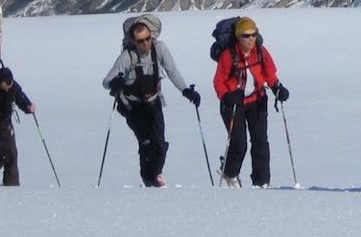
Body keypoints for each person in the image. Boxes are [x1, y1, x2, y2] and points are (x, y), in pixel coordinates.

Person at [102, 18, 201, 187]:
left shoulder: (159, 49)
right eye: (140, 41)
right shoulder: (127, 57)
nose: (145, 44)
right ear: (133, 41)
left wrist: (186, 91)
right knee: (147, 141)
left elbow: (172, 71)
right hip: (132, 106)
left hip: (153, 102)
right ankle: (150, 179)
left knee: (160, 144)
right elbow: (106, 81)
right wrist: (114, 83)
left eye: (148, 39)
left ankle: (154, 174)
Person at [213, 17, 289, 188]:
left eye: (254, 34)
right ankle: (230, 172)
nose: (251, 39)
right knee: (239, 143)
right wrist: (226, 96)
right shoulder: (228, 55)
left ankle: (262, 181)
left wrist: (276, 88)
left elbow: (269, 74)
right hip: (234, 104)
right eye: (246, 36)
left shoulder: (261, 52)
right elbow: (219, 81)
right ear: (238, 37)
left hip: (257, 100)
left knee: (260, 141)